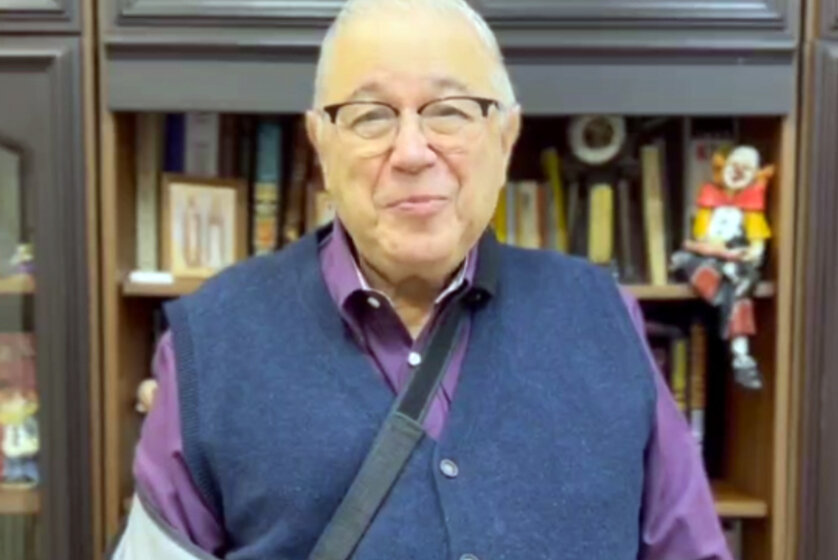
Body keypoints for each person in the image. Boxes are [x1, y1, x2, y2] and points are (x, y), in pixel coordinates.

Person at [111, 1, 732, 558]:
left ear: (506, 135)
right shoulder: (211, 343)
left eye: (450, 112)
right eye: (370, 116)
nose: (411, 152)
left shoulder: (601, 316)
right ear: (320, 142)